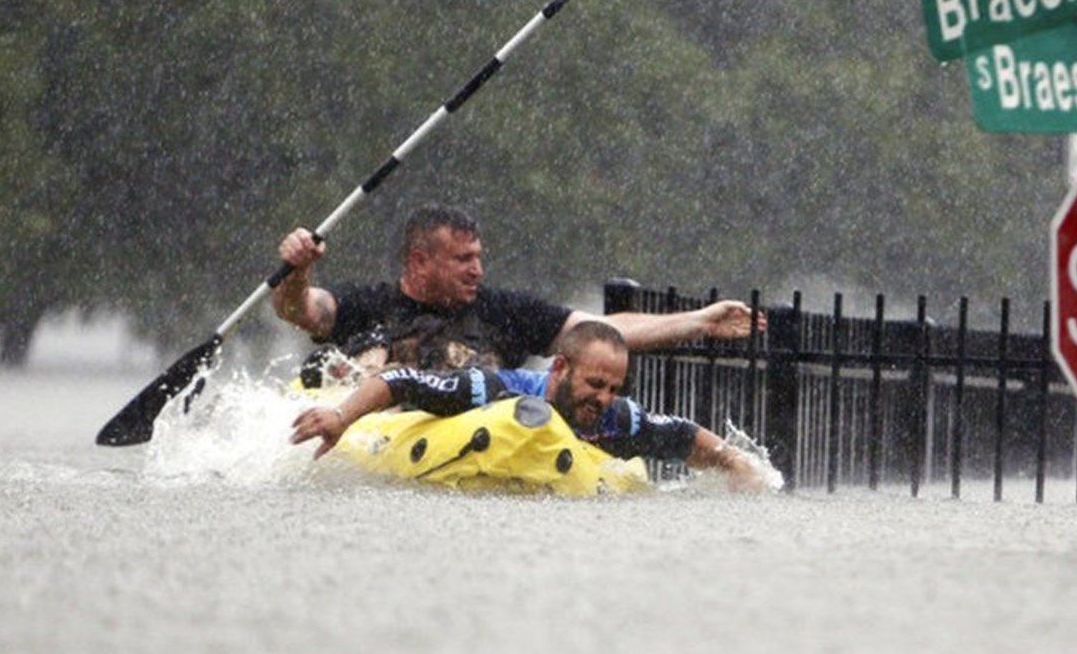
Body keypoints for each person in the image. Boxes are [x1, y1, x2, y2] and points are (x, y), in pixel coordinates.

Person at [290, 319, 771, 492]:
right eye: (595, 383)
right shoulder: (494, 388)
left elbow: (682, 434)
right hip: (424, 437)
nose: (602, 398)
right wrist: (341, 417)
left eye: (613, 387)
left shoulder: (613, 417)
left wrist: (737, 464)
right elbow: (400, 381)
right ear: (560, 368)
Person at [274, 205, 763, 371]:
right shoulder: (368, 304)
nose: (478, 270)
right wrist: (296, 269)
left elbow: (602, 330)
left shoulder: (504, 311)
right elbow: (301, 310)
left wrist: (699, 321)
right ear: (420, 261)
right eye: (463, 259)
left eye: (479, 257)